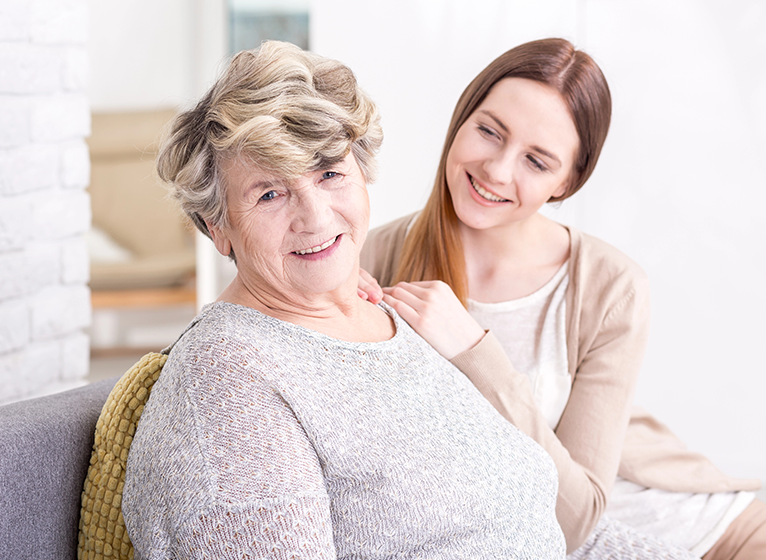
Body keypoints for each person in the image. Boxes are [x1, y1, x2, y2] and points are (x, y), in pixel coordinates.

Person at [120, 40, 567, 559]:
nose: (315, 217)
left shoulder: (387, 316)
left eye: (330, 173)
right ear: (218, 228)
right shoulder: (225, 382)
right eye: (269, 193)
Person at [360, 38, 764, 558]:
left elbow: (576, 520)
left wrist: (475, 353)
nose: (498, 171)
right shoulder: (376, 258)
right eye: (488, 131)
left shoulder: (610, 286)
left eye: (537, 161)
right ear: (462, 118)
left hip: (706, 533)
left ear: (567, 182)